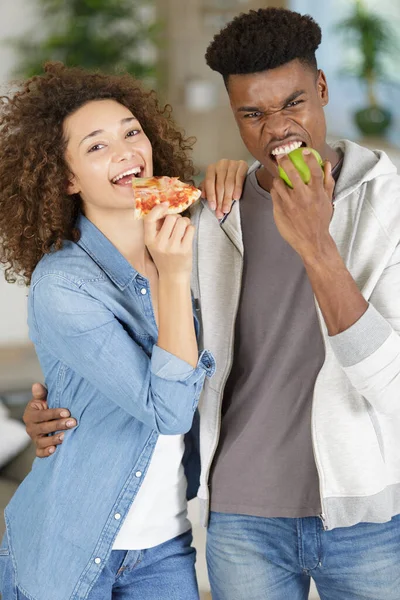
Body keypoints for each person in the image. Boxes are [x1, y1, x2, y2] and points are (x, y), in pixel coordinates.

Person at [24, 6, 400, 600]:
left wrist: (316, 245)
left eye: (294, 103)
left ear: (323, 89)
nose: (278, 129)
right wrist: (57, 409)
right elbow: (161, 357)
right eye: (254, 113)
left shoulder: (390, 205)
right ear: (236, 116)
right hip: (238, 518)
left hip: (367, 518)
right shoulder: (207, 214)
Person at [0, 62, 216, 600]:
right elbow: (168, 410)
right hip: (68, 544)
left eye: (131, 132)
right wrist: (174, 277)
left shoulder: (197, 235)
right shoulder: (64, 284)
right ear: (66, 178)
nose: (125, 152)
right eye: (96, 147)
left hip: (165, 545)